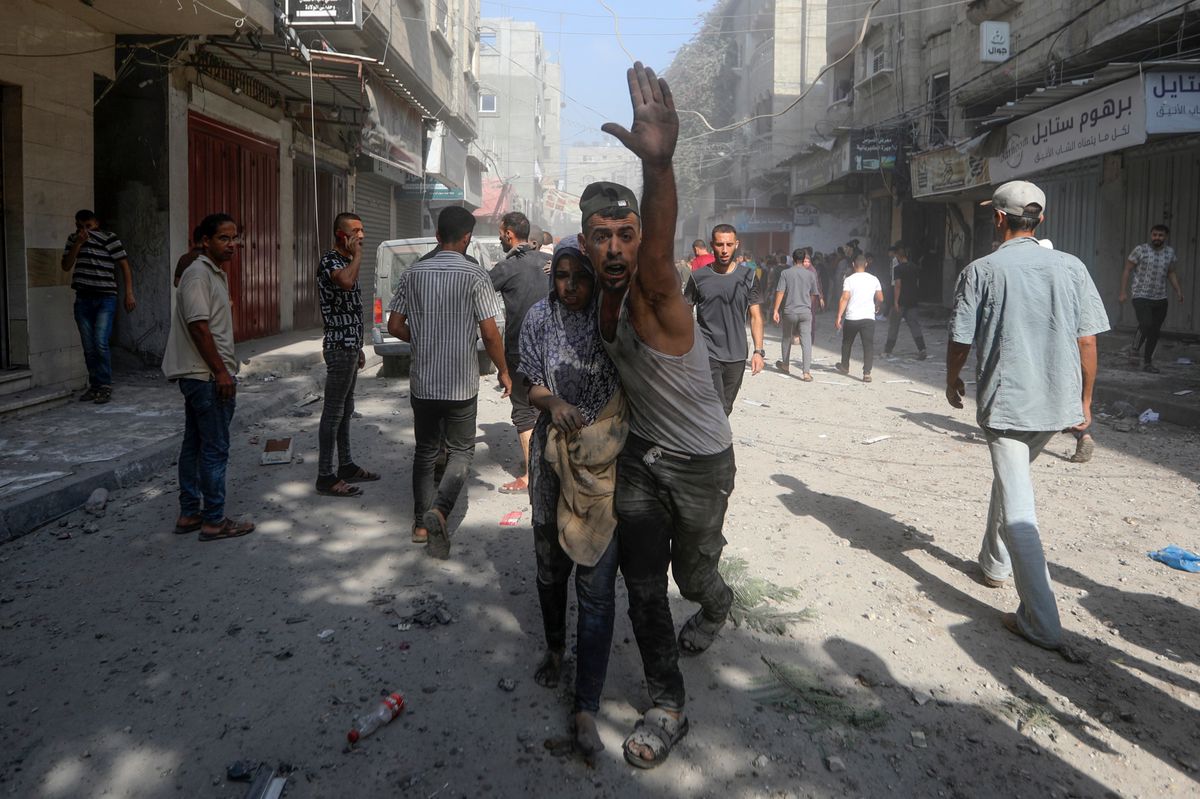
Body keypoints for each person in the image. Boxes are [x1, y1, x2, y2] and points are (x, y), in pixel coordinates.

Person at [587, 62, 735, 769]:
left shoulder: (657, 294)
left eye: (627, 233)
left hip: (702, 462)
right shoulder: (594, 298)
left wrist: (659, 166)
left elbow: (659, 250)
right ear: (585, 243)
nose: (616, 247)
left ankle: (718, 602)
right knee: (644, 584)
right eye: (602, 236)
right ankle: (667, 701)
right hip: (643, 459)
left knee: (691, 577)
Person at [946, 180, 1108, 657]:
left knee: (1018, 503)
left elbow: (960, 339)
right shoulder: (1072, 267)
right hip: (1057, 405)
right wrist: (1086, 402)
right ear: (1041, 219)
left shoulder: (981, 270)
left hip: (1008, 405)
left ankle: (1041, 622)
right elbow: (1087, 341)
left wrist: (952, 379)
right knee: (1010, 478)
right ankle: (994, 565)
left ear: (999, 218)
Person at [520, 234, 624, 761]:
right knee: (549, 566)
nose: (571, 286)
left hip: (601, 461)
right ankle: (556, 648)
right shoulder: (539, 318)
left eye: (580, 276)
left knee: (596, 584)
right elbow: (529, 383)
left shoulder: (611, 316)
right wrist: (554, 402)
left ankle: (586, 705)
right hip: (550, 458)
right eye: (562, 276)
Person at [388, 207, 510, 558]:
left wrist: (422, 340)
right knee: (461, 451)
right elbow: (490, 333)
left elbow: (394, 326)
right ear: (467, 238)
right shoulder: (475, 275)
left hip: (424, 383)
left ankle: (420, 525)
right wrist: (503, 370)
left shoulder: (413, 273)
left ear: (438, 236)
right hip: (460, 385)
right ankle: (440, 511)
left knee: (426, 451)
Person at [161, 213, 254, 542]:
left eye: (234, 238)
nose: (232, 244)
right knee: (214, 448)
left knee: (195, 444)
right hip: (205, 377)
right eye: (223, 238)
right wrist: (220, 372)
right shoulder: (198, 274)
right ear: (205, 241)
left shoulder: (212, 273)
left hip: (203, 375)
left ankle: (190, 513)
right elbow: (199, 327)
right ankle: (214, 520)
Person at [314, 213, 378, 497]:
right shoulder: (331, 261)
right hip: (338, 347)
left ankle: (346, 465)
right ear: (341, 234)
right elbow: (346, 283)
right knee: (333, 412)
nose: (361, 236)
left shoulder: (347, 260)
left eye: (362, 230)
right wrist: (357, 256)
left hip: (349, 346)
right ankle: (325, 476)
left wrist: (359, 346)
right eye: (355, 231)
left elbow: (350, 307)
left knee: (345, 410)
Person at [489, 211, 552, 494]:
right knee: (548, 406)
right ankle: (549, 464)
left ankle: (530, 475)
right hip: (552, 349)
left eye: (500, 233)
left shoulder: (506, 267)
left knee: (524, 411)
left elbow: (479, 291)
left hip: (519, 352)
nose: (499, 238)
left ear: (509, 234)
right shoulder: (551, 264)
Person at [684, 224, 765, 414]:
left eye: (729, 244)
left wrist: (758, 351)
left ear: (737, 244)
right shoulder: (698, 277)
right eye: (720, 244)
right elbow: (685, 314)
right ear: (712, 245)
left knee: (725, 409)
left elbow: (755, 317)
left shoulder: (748, 277)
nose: (725, 250)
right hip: (707, 353)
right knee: (716, 407)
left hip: (737, 355)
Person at [61, 209, 136, 404]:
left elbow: (124, 265)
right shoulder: (73, 239)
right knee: (89, 347)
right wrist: (78, 243)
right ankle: (95, 385)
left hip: (105, 298)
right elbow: (66, 265)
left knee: (100, 342)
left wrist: (129, 293)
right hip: (83, 298)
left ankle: (105, 386)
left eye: (89, 226)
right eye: (80, 226)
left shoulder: (110, 238)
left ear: (97, 224)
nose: (85, 230)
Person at [1119, 224, 1185, 373]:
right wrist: (1123, 292)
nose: (1157, 238)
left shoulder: (1169, 253)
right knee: (1146, 323)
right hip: (1141, 295)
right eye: (1154, 235)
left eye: (1160, 235)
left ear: (1165, 237)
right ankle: (1134, 349)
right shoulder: (1140, 250)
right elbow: (1127, 270)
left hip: (1160, 297)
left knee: (1154, 331)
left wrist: (1178, 291)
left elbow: (1171, 273)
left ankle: (1148, 363)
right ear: (1151, 235)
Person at [773, 248, 822, 380]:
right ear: (803, 259)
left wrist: (776, 310)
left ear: (793, 259)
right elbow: (814, 294)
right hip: (805, 312)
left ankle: (785, 365)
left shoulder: (785, 273)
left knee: (786, 338)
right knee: (806, 341)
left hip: (790, 311)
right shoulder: (811, 274)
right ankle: (806, 372)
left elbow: (780, 292)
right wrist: (808, 306)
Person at [835, 253, 883, 382]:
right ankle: (867, 373)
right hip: (868, 317)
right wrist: (877, 305)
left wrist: (839, 316)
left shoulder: (849, 280)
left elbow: (845, 298)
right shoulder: (874, 279)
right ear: (866, 264)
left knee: (847, 343)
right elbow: (880, 297)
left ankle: (845, 366)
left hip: (852, 317)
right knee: (868, 345)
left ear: (853, 265)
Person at [883, 244, 928, 359]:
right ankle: (922, 348)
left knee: (894, 326)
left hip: (901, 300)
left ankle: (888, 350)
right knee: (914, 325)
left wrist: (895, 301)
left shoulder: (898, 269)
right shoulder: (914, 267)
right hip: (912, 300)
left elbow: (898, 285)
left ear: (898, 256)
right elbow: (917, 283)